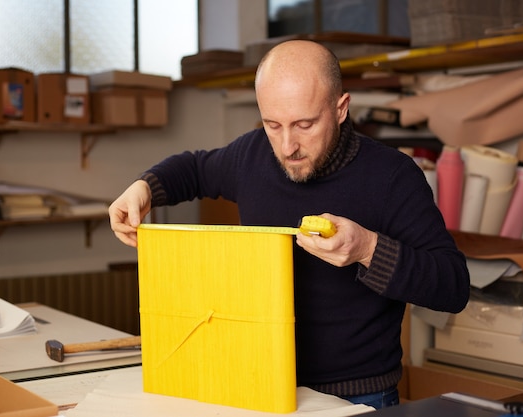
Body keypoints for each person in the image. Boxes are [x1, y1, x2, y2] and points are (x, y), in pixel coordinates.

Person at [108, 40, 470, 409]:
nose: (286, 146)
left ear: (341, 108)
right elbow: (193, 168)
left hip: (358, 396)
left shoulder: (392, 176)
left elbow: (453, 287)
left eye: (304, 124)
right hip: (261, 381)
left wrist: (366, 249)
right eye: (272, 124)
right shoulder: (251, 155)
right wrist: (144, 189)